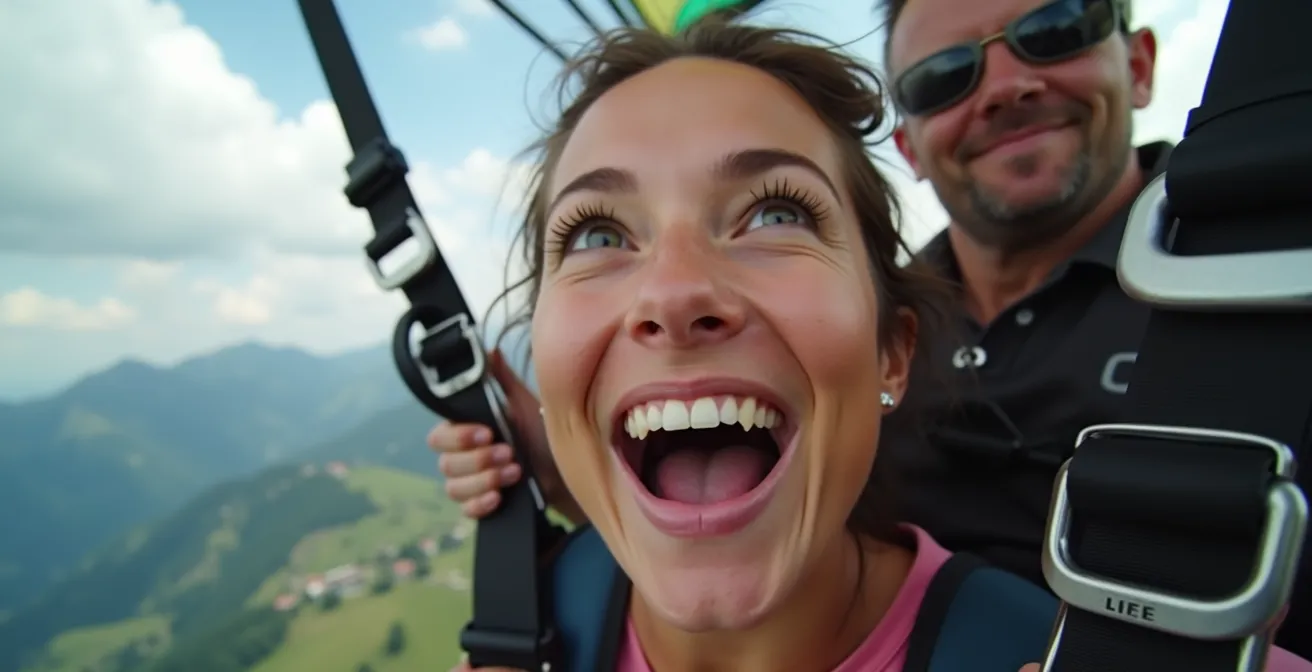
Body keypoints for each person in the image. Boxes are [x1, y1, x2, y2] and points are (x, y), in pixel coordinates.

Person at [434, 12, 1309, 672]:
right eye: (596, 233)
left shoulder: (1259, 296)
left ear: (894, 354)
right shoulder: (542, 620)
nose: (672, 292)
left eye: (775, 213)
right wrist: (581, 480)